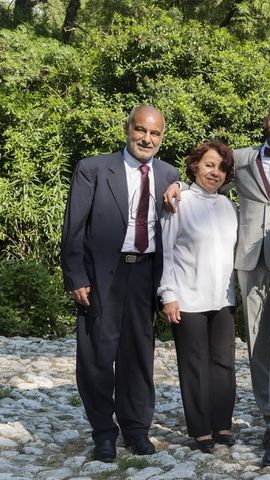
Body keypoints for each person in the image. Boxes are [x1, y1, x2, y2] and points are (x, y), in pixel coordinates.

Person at [163, 100, 270, 466]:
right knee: (256, 347)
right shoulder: (243, 158)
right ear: (266, 122)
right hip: (249, 263)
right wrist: (173, 182)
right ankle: (269, 415)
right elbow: (207, 173)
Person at [61, 105, 179, 462]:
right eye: (141, 130)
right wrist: (76, 275)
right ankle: (103, 434)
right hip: (102, 275)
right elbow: (74, 226)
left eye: (155, 133)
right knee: (97, 355)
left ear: (161, 137)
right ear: (128, 129)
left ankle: (136, 429)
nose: (147, 139)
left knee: (139, 355)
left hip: (145, 274)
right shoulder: (94, 169)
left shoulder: (168, 173)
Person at [158, 141, 237, 453]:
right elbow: (166, 252)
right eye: (209, 165)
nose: (214, 172)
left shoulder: (228, 207)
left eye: (220, 168)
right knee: (194, 365)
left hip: (223, 298)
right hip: (187, 296)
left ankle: (222, 424)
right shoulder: (180, 202)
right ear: (194, 166)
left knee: (224, 364)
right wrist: (168, 295)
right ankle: (200, 429)